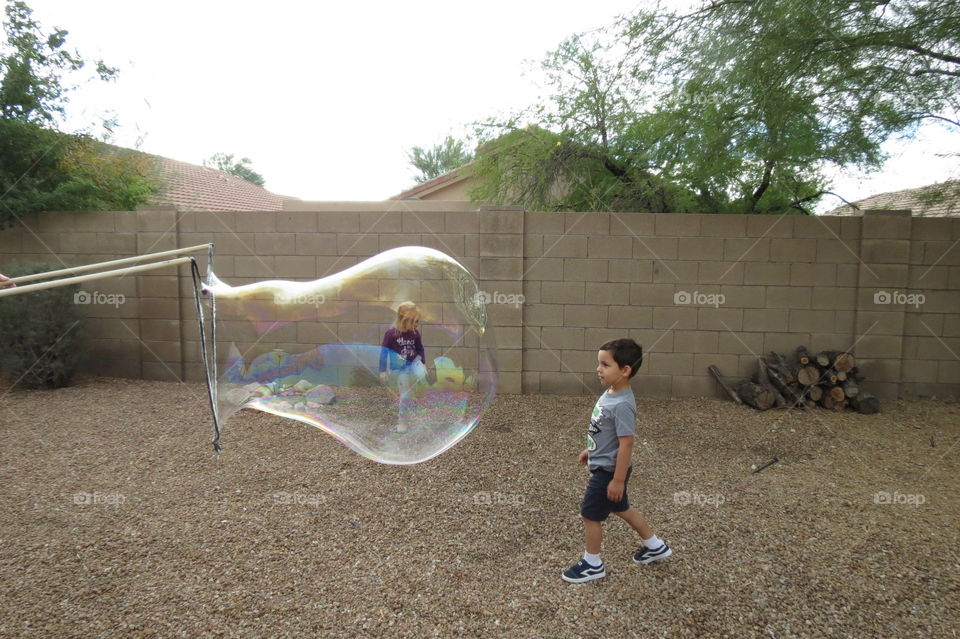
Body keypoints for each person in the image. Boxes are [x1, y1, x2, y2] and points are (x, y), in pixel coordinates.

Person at [562, 338, 672, 584]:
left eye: (605, 364)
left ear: (625, 370)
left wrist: (618, 480)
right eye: (598, 363)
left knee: (590, 515)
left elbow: (626, 443)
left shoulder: (623, 404)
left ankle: (593, 564)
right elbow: (605, 432)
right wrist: (591, 450)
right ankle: (654, 546)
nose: (598, 369)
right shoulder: (611, 391)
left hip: (609, 473)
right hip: (605, 466)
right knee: (621, 509)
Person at [378, 301, 425, 433]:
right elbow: (384, 353)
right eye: (415, 321)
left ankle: (413, 400)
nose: (417, 324)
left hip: (413, 364)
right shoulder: (391, 334)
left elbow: (420, 350)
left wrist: (422, 362)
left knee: (421, 376)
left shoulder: (415, 333)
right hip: (399, 370)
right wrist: (382, 371)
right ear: (405, 320)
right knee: (405, 395)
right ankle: (402, 421)